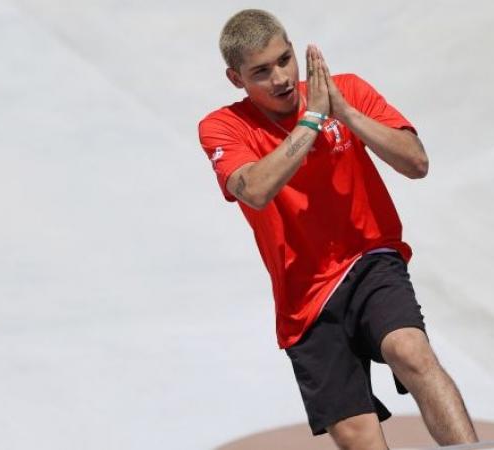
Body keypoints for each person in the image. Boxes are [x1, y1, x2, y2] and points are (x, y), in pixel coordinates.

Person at [198, 9, 478, 450]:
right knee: (358, 438)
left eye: (285, 59)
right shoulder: (223, 127)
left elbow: (417, 163)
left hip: (370, 261)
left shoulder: (343, 90)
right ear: (237, 79)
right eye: (262, 72)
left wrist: (343, 112)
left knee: (410, 350)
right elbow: (255, 189)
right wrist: (312, 120)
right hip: (304, 299)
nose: (281, 77)